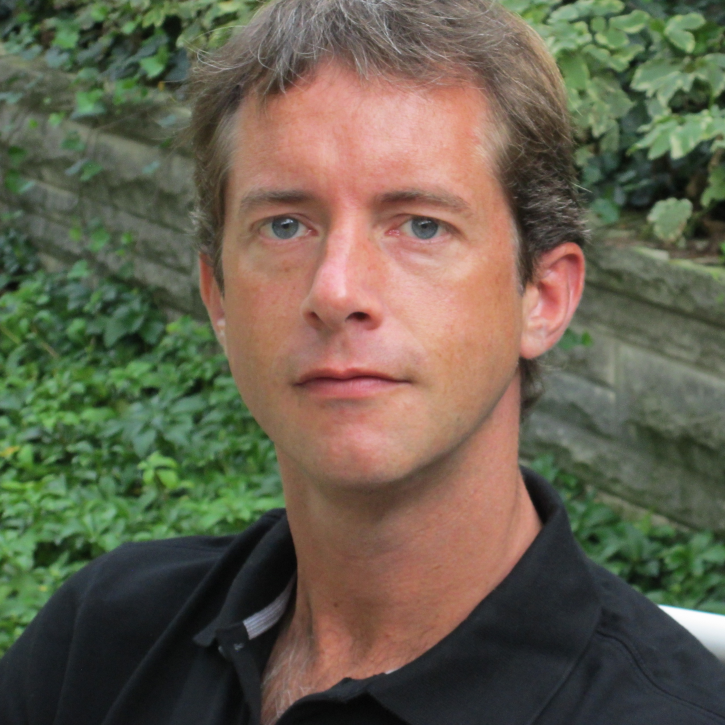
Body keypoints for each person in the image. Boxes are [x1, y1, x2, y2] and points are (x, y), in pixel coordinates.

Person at [1, 0, 724, 723]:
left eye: (420, 225)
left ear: (542, 294)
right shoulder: (99, 641)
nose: (336, 289)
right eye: (283, 225)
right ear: (217, 295)